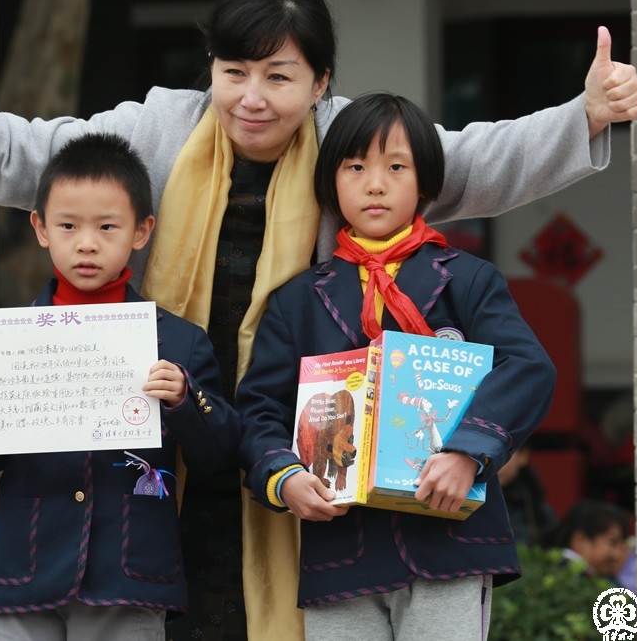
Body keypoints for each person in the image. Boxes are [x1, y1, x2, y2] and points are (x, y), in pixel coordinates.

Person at [0, 0, 637, 639]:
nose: (252, 98)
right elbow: (23, 155)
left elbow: (469, 157)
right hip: (166, 427)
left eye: (279, 76)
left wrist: (586, 115)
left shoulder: (350, 147)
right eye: (234, 72)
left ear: (321, 83)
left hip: (286, 442)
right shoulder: (159, 128)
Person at [238, 92, 557, 640]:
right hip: (341, 552)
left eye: (396, 166)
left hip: (449, 542)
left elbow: (528, 367)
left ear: (425, 182)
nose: (375, 183)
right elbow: (259, 408)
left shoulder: (469, 281)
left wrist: (468, 452)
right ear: (330, 183)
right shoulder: (295, 301)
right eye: (355, 166)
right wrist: (283, 476)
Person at [0, 133, 241, 640]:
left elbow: (220, 453)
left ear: (142, 231)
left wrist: (186, 399)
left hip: (128, 574)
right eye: (68, 225)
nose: (87, 243)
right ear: (40, 227)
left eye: (107, 226)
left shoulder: (178, 343)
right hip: (25, 573)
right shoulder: (4, 346)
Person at [544, 498, 632, 585]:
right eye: (612, 543)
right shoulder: (561, 576)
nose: (617, 555)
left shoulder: (602, 577)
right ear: (581, 541)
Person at [497, 444, 559, 545]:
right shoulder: (465, 496)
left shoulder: (536, 508)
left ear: (523, 456)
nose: (495, 461)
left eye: (503, 453)